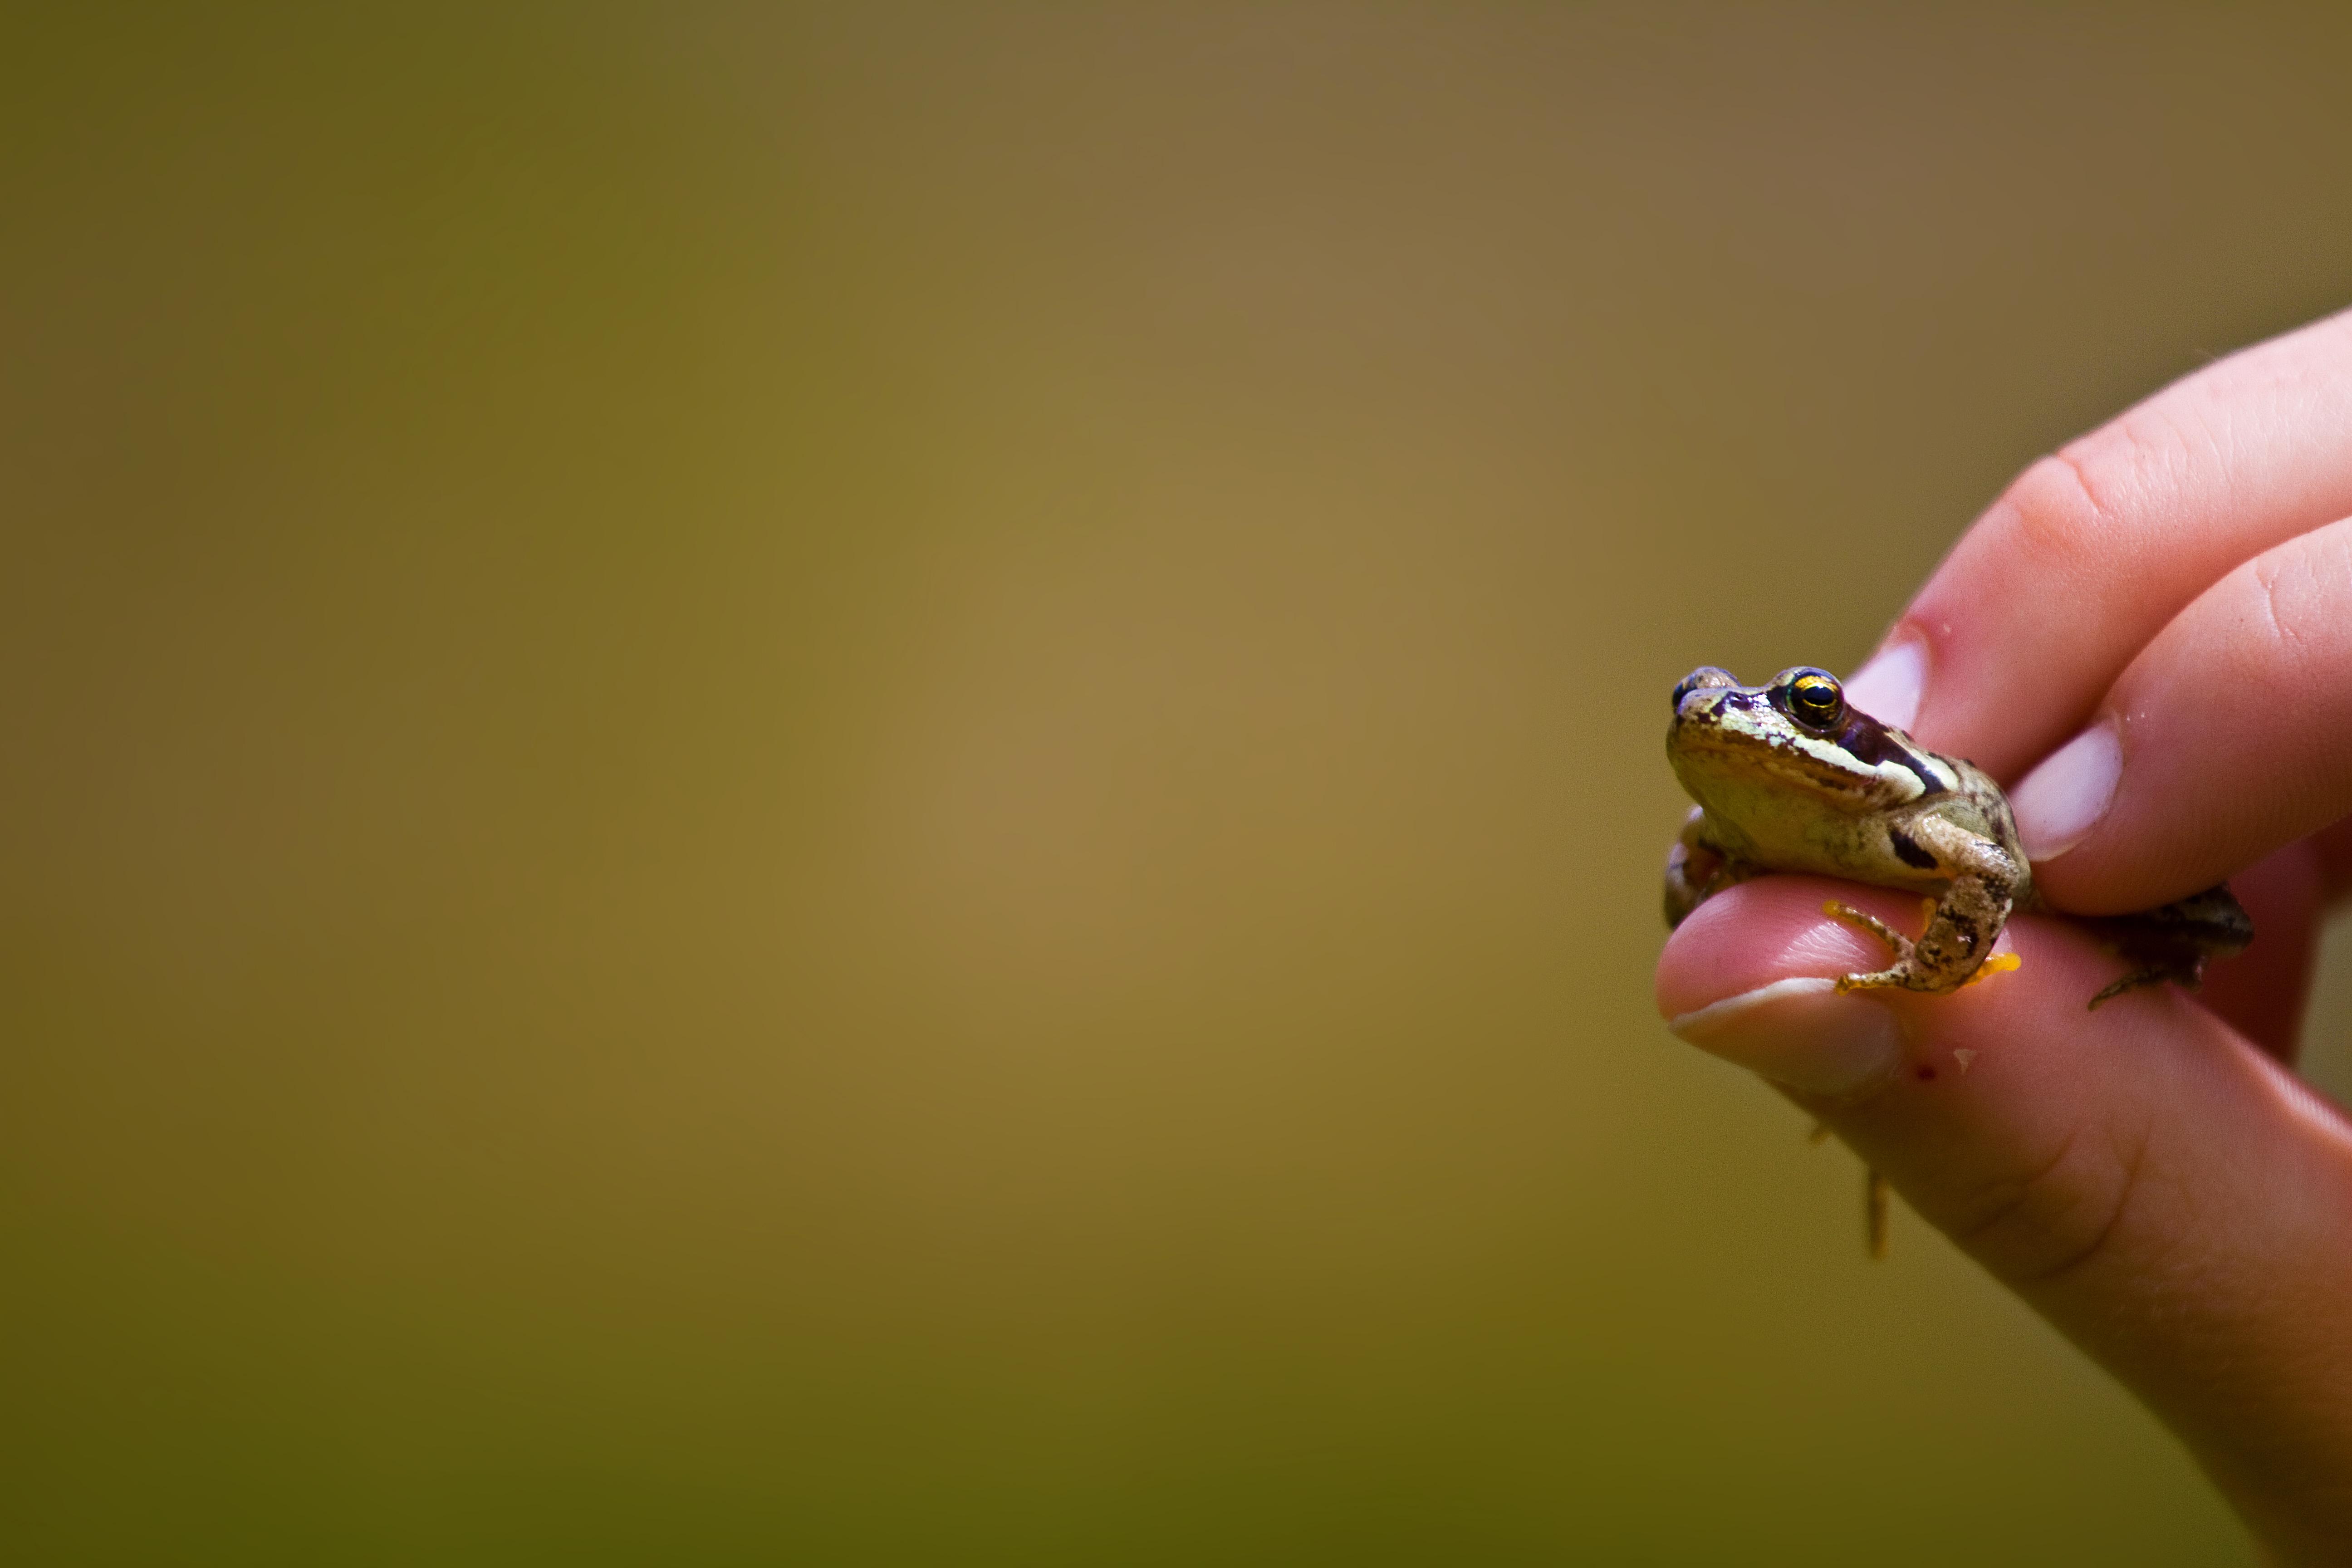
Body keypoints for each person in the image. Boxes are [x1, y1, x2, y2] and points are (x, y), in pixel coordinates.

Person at [1656, 305, 2352, 1564]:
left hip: (2041, 864)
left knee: (2196, 899)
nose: (1745, 725)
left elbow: (1985, 868)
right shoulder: (1728, 833)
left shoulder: (1911, 829)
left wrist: (1922, 979)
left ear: (1848, 732)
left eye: (1807, 710)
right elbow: (1688, 877)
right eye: (1703, 713)